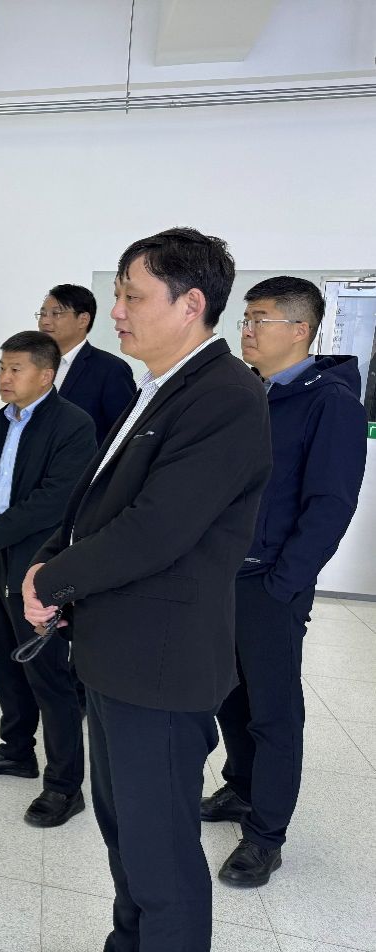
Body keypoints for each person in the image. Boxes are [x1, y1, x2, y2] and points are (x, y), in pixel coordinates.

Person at [23, 227, 272, 952]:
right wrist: (50, 559)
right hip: (117, 656)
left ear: (190, 304)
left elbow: (156, 529)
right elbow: (98, 503)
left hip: (161, 667)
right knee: (125, 836)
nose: (117, 311)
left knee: (159, 856)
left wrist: (53, 579)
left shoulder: (225, 395)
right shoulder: (161, 388)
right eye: (117, 295)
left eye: (132, 296)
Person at [201, 277, 367, 887]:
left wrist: (284, 583)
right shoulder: (252, 392)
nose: (245, 329)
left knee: (272, 712)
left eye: (259, 319)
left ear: (300, 329)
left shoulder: (331, 403)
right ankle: (242, 787)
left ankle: (265, 836)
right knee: (228, 694)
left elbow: (330, 505)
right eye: (245, 318)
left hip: (270, 582)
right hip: (223, 575)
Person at [0, 331, 96, 827]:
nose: (4, 377)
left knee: (48, 677)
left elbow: (58, 500)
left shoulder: (73, 425)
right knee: (4, 661)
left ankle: (64, 785)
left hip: (37, 565)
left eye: (15, 368)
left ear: (46, 374)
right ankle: (16, 750)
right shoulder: (1, 421)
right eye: (2, 367)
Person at [37, 283, 136, 445]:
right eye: (42, 314)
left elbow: (124, 435)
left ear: (83, 320)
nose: (45, 321)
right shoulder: (34, 365)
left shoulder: (110, 369)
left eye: (56, 314)